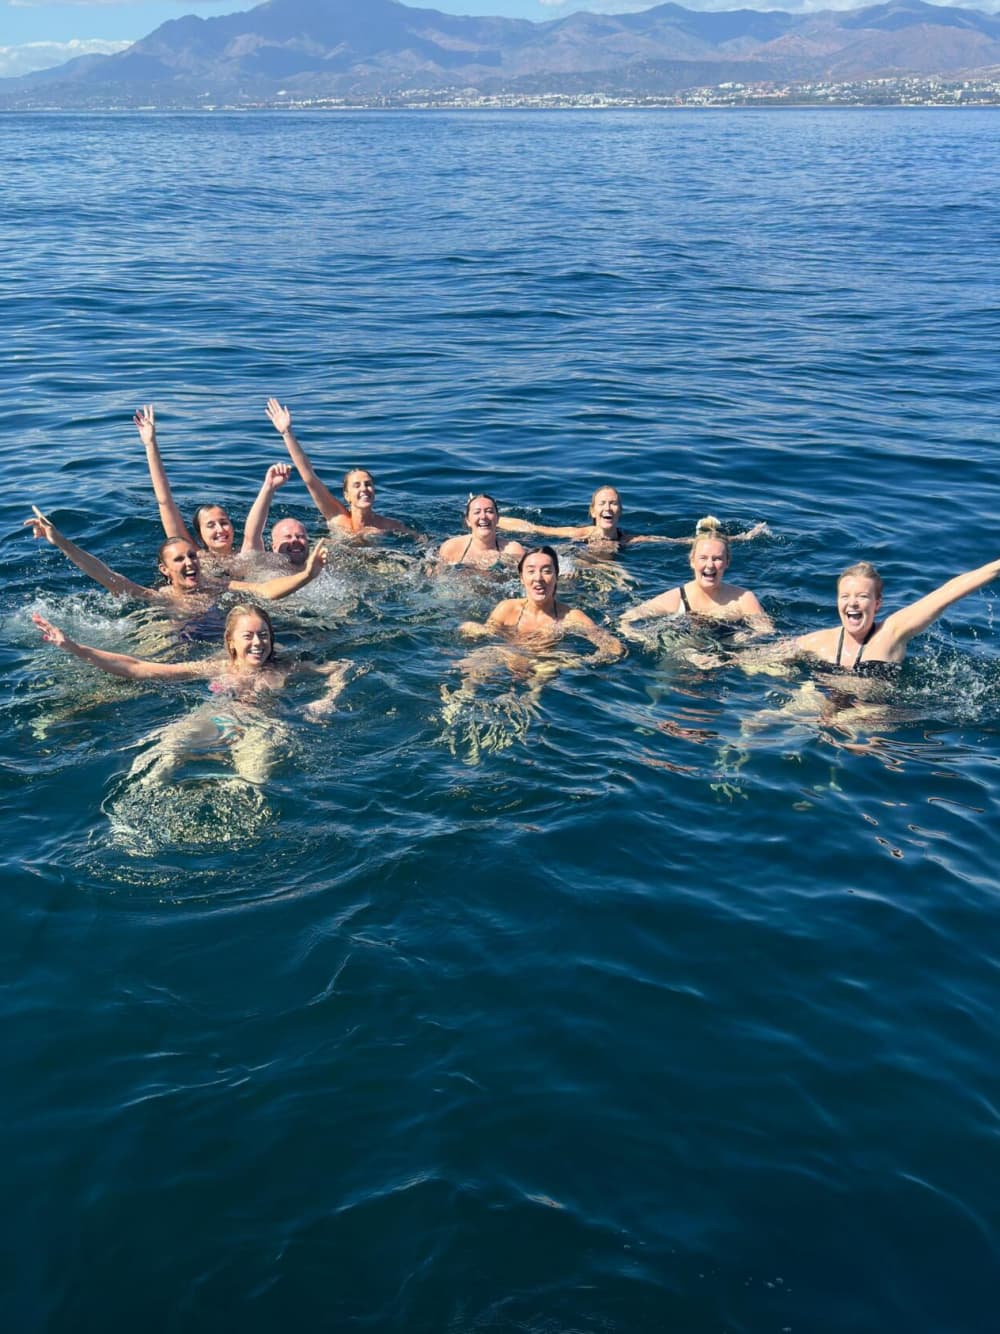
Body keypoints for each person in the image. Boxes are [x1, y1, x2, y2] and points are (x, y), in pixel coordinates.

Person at [32, 604, 353, 784]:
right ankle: (137, 809)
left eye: (264, 635)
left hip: (263, 726)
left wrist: (327, 699)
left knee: (254, 780)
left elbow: (343, 667)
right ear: (231, 641)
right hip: (213, 718)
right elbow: (139, 668)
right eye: (249, 636)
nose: (258, 643)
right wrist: (73, 647)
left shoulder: (286, 667)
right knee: (163, 754)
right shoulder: (215, 668)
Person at [25, 507, 327, 607]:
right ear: (165, 569)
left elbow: (265, 591)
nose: (189, 563)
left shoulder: (217, 587)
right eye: (179, 560)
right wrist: (61, 542)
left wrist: (307, 575)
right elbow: (107, 576)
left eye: (191, 557)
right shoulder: (160, 597)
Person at [794, 557, 1000, 676]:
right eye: (845, 596)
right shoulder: (818, 641)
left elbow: (946, 594)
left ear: (877, 604)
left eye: (862, 596)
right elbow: (767, 655)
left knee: (858, 738)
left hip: (874, 715)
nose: (853, 603)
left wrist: (996, 567)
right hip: (824, 704)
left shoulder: (892, 633)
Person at [265, 398, 419, 539]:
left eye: (368, 484)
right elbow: (309, 477)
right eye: (356, 485)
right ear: (347, 496)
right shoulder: (337, 517)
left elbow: (420, 539)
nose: (364, 489)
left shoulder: (388, 525)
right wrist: (287, 433)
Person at [459, 545, 624, 664]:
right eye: (531, 571)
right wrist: (472, 629)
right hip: (506, 658)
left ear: (556, 577)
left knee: (545, 671)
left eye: (546, 571)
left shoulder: (571, 617)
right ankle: (457, 702)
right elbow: (488, 635)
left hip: (544, 666)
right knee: (473, 665)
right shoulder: (507, 609)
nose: (538, 578)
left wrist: (580, 662)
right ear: (522, 578)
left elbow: (614, 647)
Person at [620, 518, 772, 637]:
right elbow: (625, 620)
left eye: (717, 558)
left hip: (735, 656)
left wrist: (738, 643)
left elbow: (766, 633)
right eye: (703, 558)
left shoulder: (744, 599)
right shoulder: (677, 599)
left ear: (727, 562)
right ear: (692, 561)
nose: (710, 565)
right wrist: (641, 637)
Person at [498, 488, 768, 550]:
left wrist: (740, 537)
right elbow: (534, 528)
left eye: (613, 503)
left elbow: (678, 541)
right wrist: (494, 521)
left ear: (620, 512)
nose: (608, 507)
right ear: (592, 512)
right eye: (602, 503)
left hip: (613, 570)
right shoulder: (577, 534)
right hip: (578, 563)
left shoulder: (630, 540)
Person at [436, 494, 527, 568]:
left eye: (489, 511)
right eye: (477, 512)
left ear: (498, 518)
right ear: (468, 521)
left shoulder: (513, 551)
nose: (483, 516)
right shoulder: (451, 548)